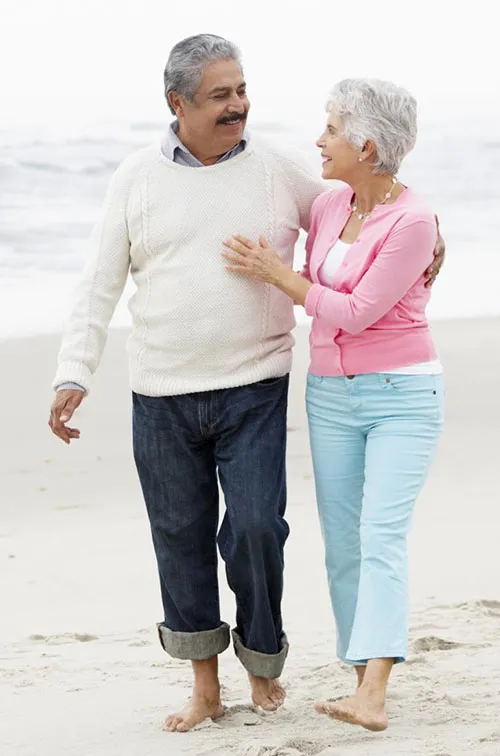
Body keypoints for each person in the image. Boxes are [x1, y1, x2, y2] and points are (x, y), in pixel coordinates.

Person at [48, 35, 443, 733]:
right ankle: (206, 687)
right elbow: (98, 282)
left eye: (241, 89)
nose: (240, 106)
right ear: (178, 102)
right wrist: (74, 371)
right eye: (221, 95)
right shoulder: (136, 178)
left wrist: (432, 236)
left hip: (255, 385)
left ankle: (263, 660)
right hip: (162, 390)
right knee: (181, 536)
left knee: (258, 528)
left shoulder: (278, 171)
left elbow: (368, 203)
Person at [223, 77, 445, 733]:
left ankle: (374, 692)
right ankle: (360, 681)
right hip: (330, 398)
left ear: (366, 144)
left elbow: (353, 312)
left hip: (403, 396)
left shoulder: (413, 222)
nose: (319, 141)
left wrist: (279, 277)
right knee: (343, 547)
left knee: (380, 537)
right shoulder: (328, 206)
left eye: (330, 129)